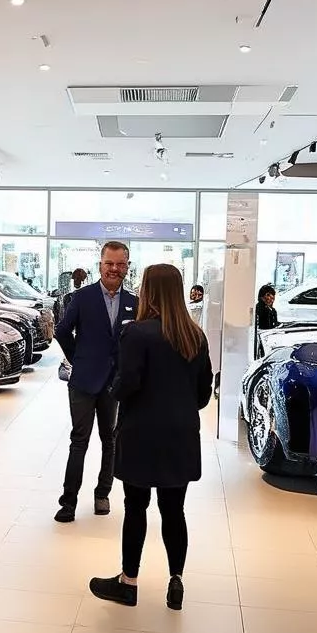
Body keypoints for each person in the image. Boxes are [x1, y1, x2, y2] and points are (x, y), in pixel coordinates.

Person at [89, 264, 213, 610]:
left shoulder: (137, 334)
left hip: (141, 433)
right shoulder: (196, 336)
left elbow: (128, 384)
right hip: (181, 435)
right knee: (174, 510)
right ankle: (176, 581)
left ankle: (128, 583)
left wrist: (112, 390)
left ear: (148, 291)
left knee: (135, 507)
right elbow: (203, 394)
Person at [53, 242, 136, 522]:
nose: (114, 269)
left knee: (110, 440)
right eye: (109, 263)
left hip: (114, 384)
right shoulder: (82, 297)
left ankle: (103, 494)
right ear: (99, 265)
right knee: (79, 441)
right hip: (84, 382)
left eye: (120, 264)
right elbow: (62, 331)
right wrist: (79, 357)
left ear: (127, 266)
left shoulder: (133, 302)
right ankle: (69, 502)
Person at [254, 283, 278, 358]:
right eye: (268, 295)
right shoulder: (260, 309)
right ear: (261, 297)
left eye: (272, 295)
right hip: (263, 338)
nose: (271, 298)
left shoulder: (272, 310)